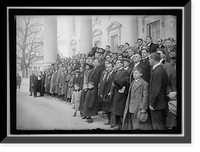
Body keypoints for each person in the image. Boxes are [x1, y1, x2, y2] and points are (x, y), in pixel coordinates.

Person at [107, 59, 129, 130]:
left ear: (122, 64)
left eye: (118, 63)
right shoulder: (117, 72)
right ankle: (117, 125)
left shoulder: (125, 72)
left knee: (119, 110)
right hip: (115, 92)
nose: (117, 64)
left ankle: (121, 126)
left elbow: (123, 81)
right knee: (115, 109)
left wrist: (115, 83)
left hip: (120, 93)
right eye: (116, 63)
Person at [148, 52, 168, 130]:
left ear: (153, 60)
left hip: (157, 103)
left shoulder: (157, 71)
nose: (149, 61)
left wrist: (152, 103)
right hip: (159, 102)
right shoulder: (159, 69)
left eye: (149, 59)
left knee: (157, 126)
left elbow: (156, 89)